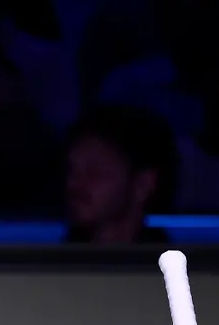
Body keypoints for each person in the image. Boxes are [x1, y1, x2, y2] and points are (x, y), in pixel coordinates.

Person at [64, 104, 177, 243]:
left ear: (143, 185)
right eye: (71, 171)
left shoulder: (169, 263)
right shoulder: (50, 261)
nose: (73, 184)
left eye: (93, 172)